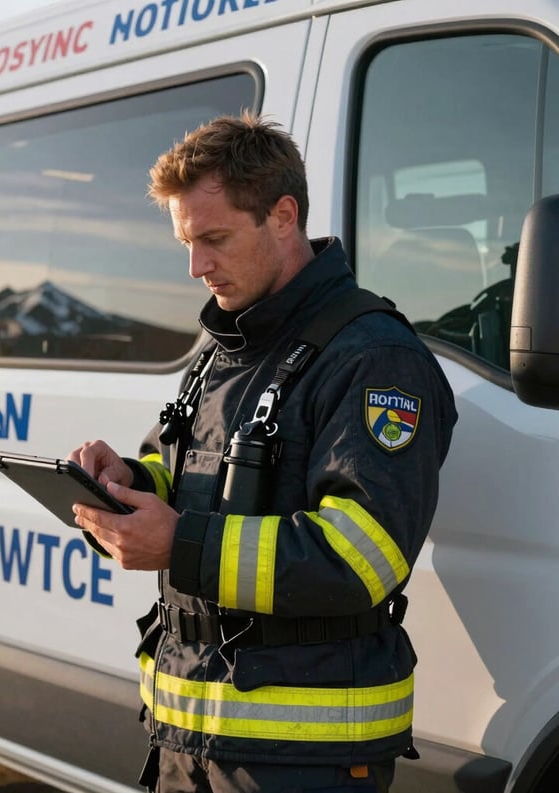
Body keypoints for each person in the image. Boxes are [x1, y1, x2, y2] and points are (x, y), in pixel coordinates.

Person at [70, 112, 457, 793]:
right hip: (188, 741)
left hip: (303, 761)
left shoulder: (374, 358)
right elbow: (186, 474)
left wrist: (180, 544)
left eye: (214, 239)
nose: (196, 267)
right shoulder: (229, 343)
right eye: (187, 242)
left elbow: (361, 555)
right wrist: (127, 482)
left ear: (283, 216)